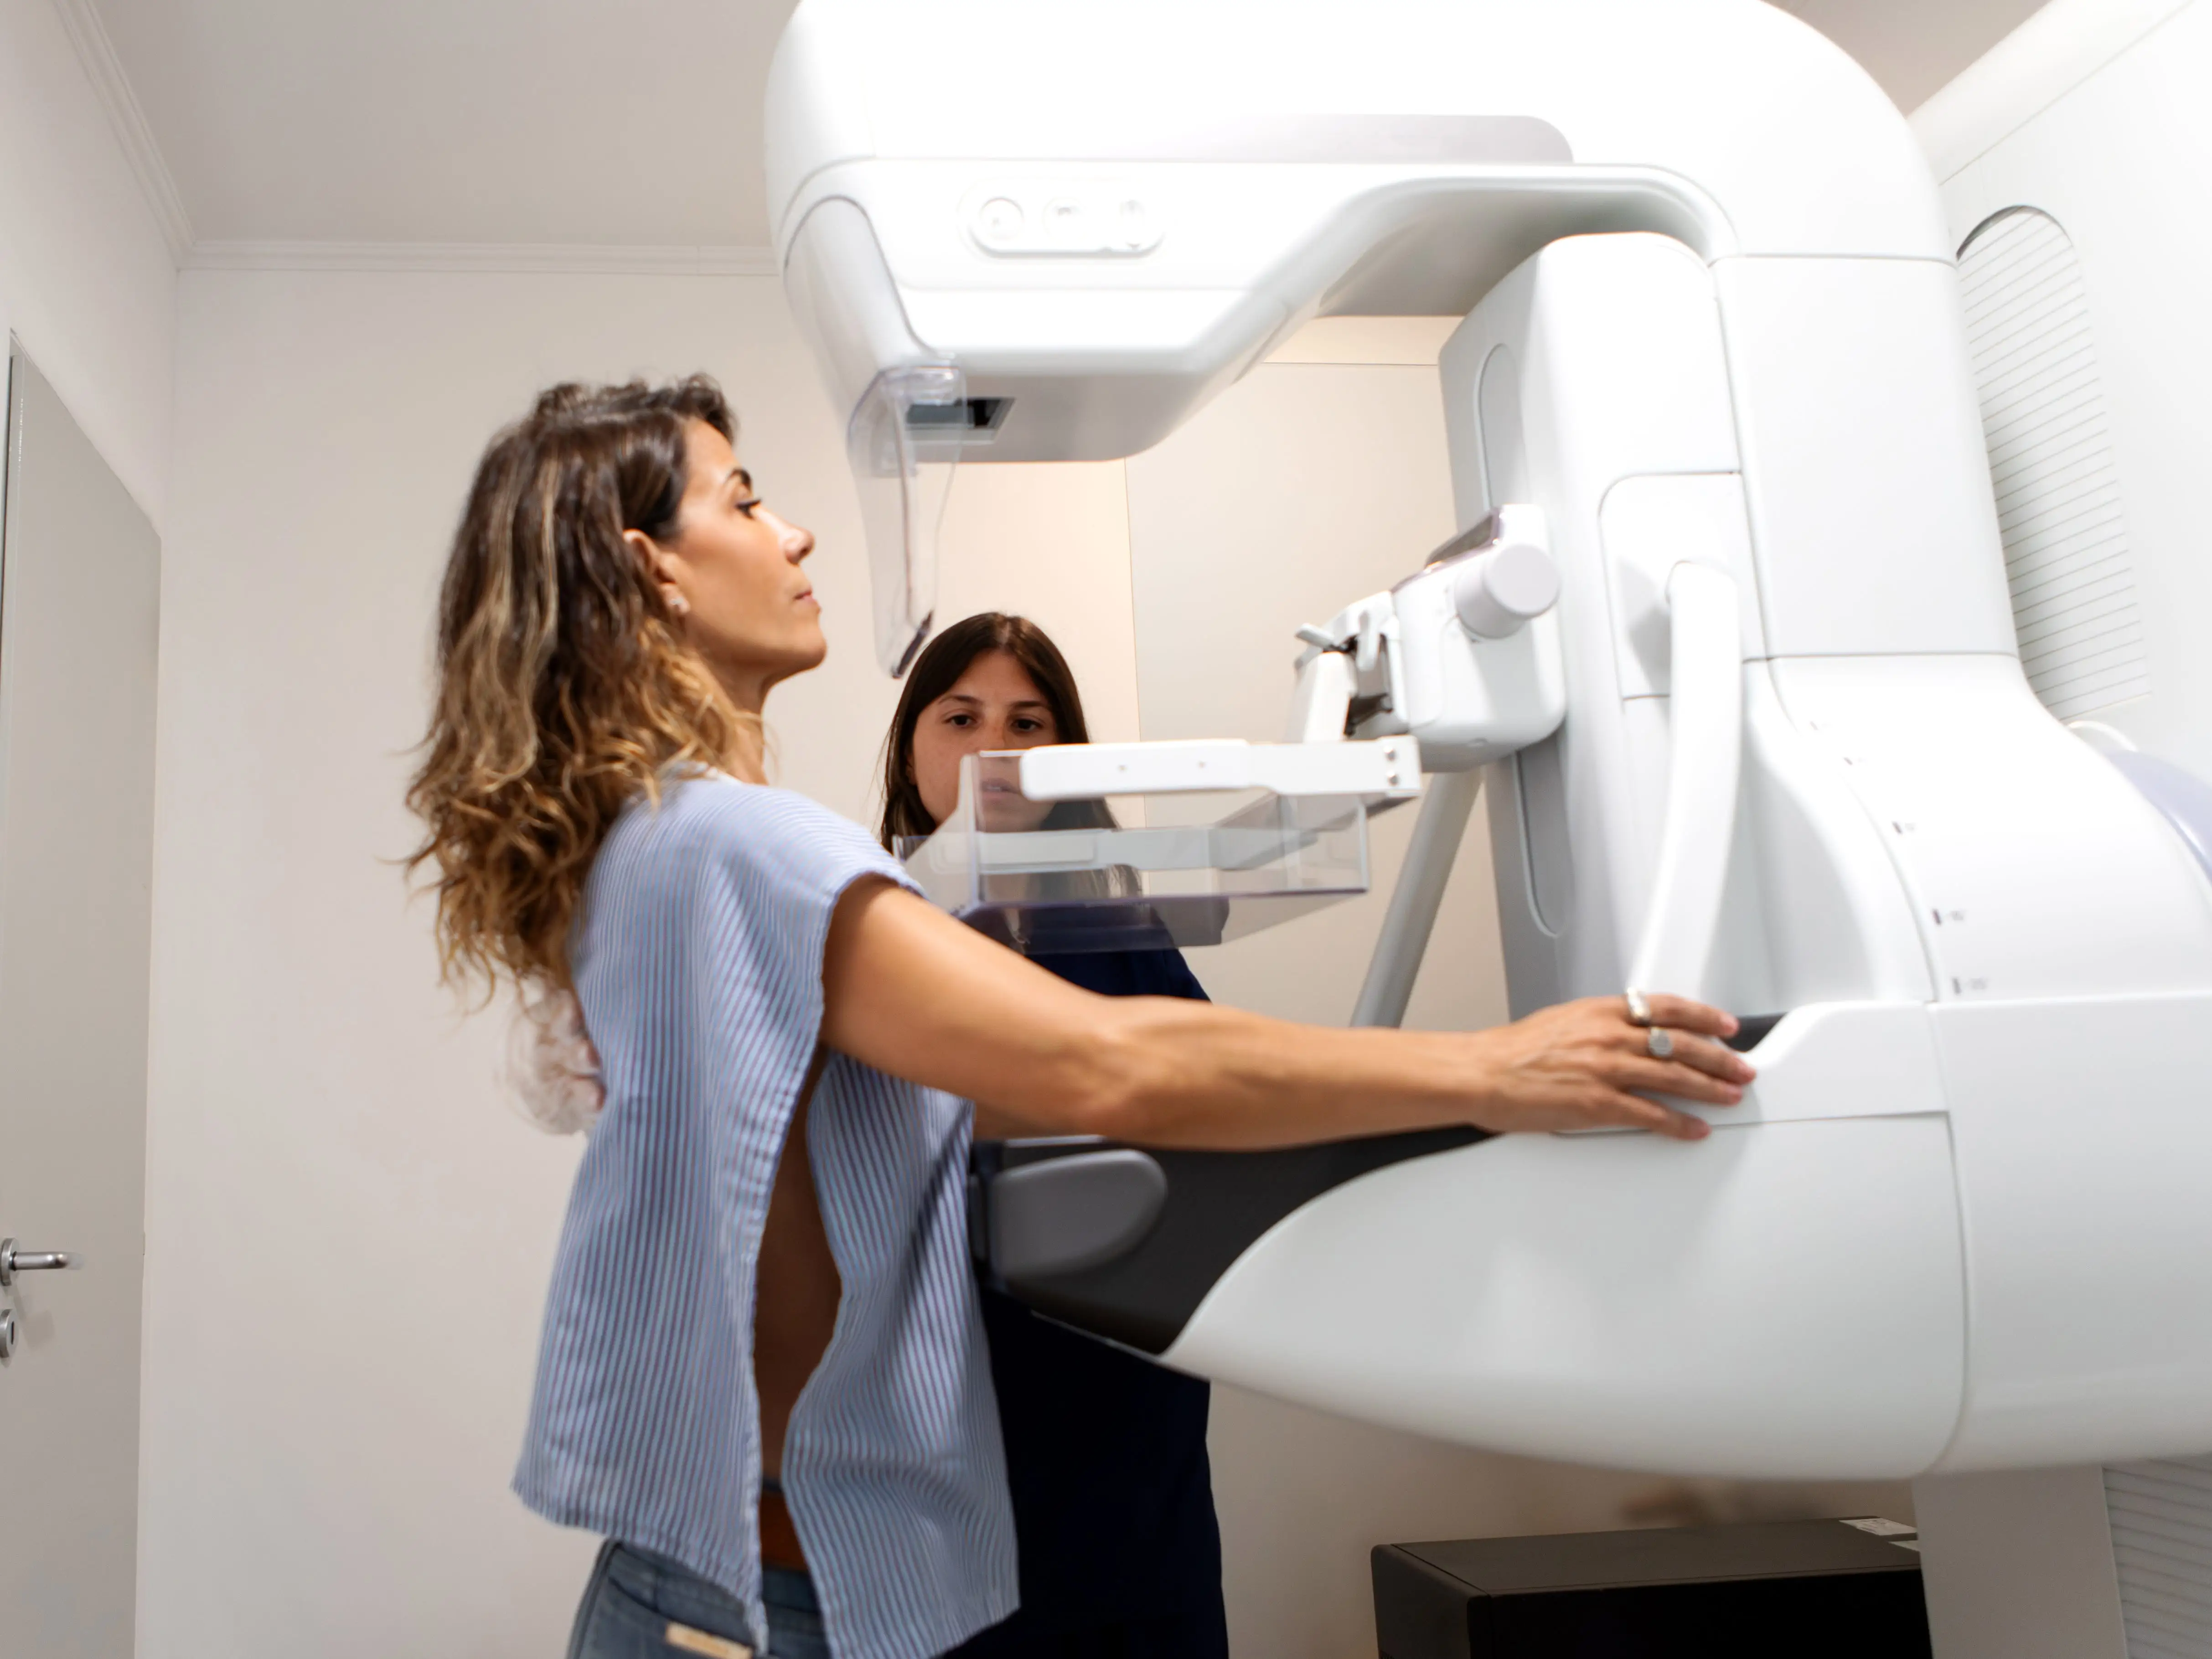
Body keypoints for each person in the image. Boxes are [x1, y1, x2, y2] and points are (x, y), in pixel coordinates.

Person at [405, 376, 1753, 1659]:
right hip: (761, 1605)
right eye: (745, 499)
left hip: (742, 1579)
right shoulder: (737, 847)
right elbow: (1100, 1062)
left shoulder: (653, 846)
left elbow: (998, 1095)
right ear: (655, 568)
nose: (795, 528)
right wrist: (1494, 1065)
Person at [880, 613, 1227, 1659]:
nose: (996, 749)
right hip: (944, 1378)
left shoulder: (1116, 927)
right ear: (909, 745)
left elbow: (1201, 1096)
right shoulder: (875, 920)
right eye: (962, 716)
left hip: (1114, 1379)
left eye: (1030, 722)